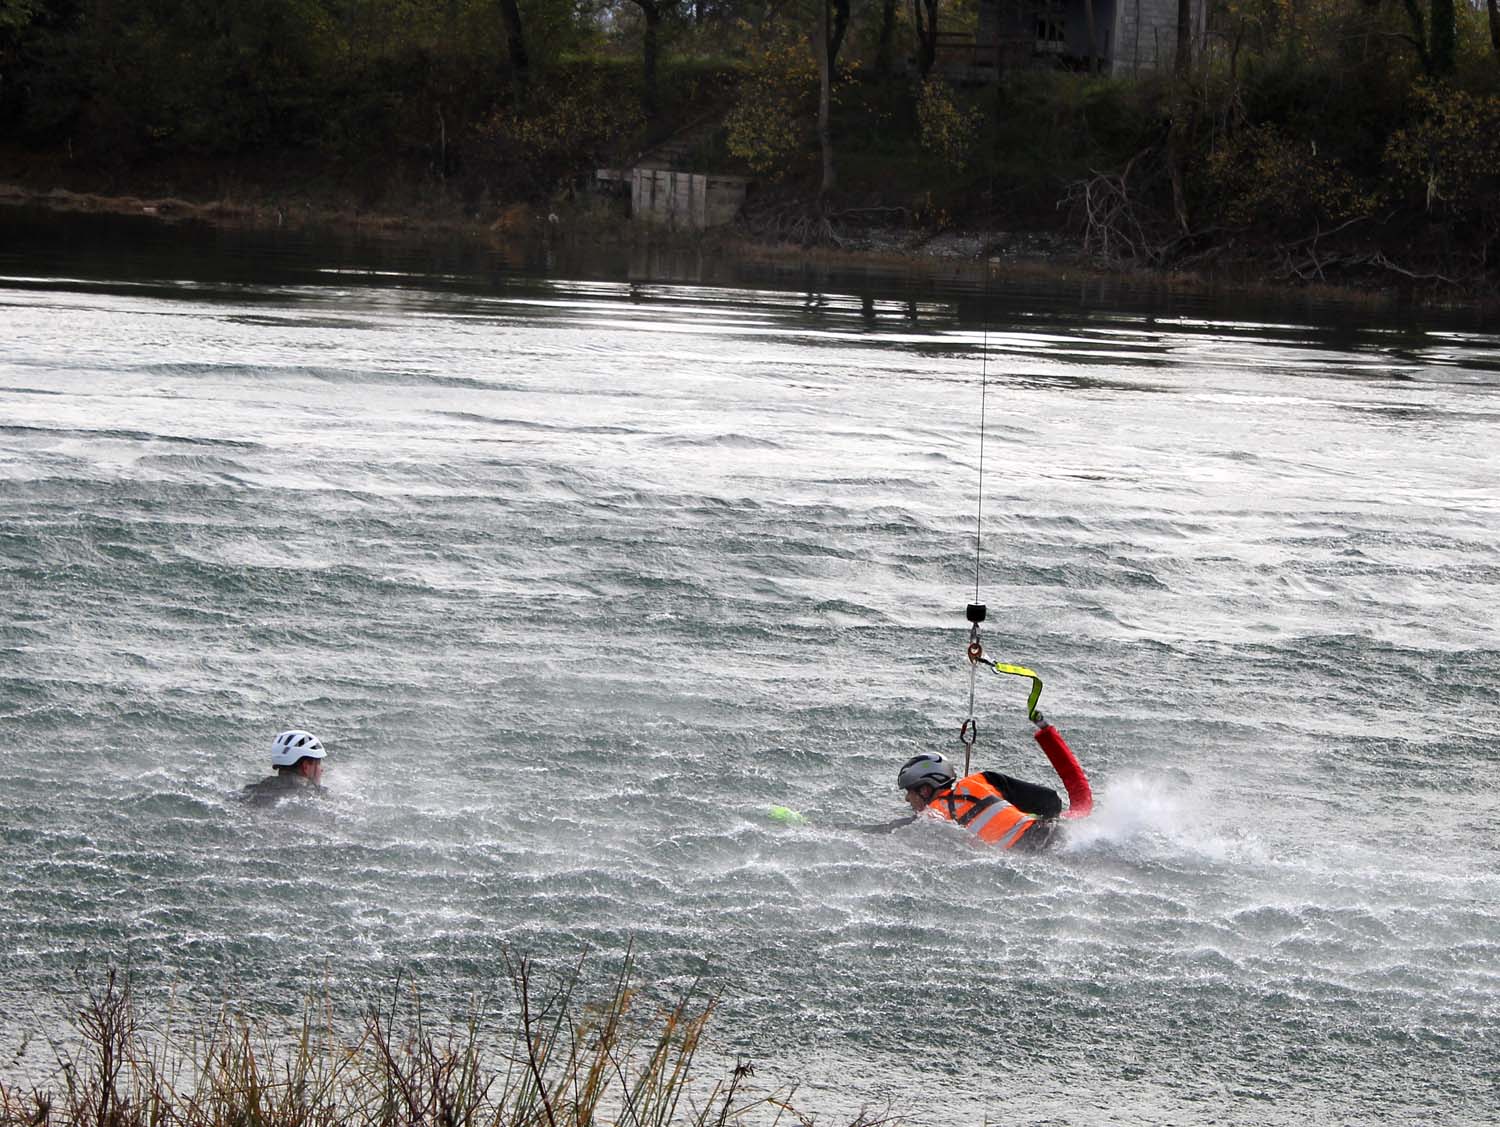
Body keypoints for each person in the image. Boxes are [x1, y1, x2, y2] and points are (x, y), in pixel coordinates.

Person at [851, 752, 1065, 851]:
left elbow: (888, 830)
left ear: (925, 789)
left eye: (910, 791)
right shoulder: (982, 781)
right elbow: (1050, 801)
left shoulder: (931, 818)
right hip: (1055, 834)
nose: (907, 798)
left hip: (1031, 853)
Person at [241, 729, 327, 805]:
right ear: (306, 766)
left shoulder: (251, 790)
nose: (321, 770)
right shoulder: (312, 796)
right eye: (318, 763)